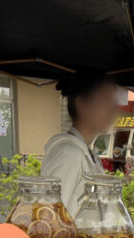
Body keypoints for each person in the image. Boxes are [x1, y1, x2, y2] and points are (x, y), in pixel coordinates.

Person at [40, 71, 119, 214]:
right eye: (106, 100)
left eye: (114, 101)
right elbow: (51, 217)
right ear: (81, 103)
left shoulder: (88, 154)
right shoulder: (69, 154)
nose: (114, 110)